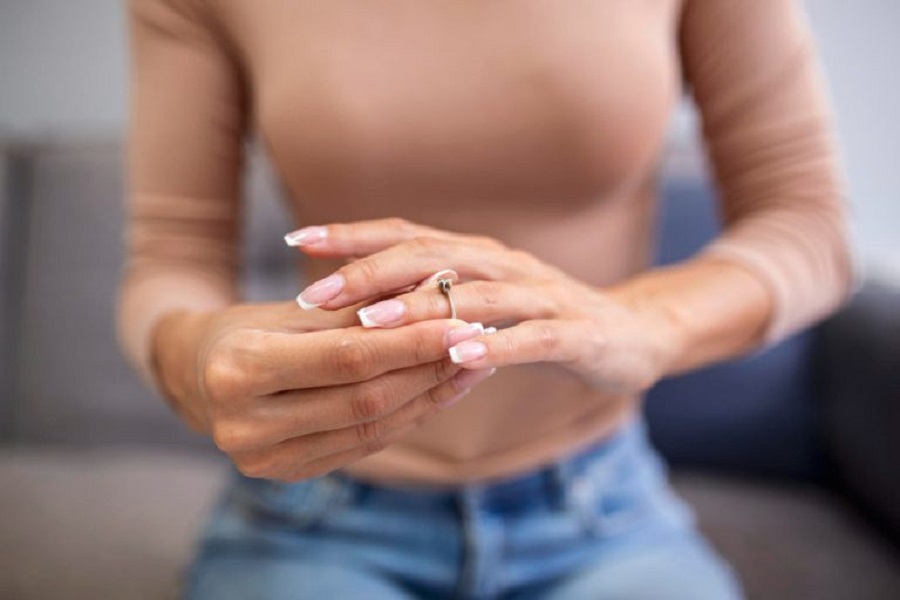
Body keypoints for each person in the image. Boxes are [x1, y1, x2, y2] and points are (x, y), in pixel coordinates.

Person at [118, 0, 853, 598]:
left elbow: (809, 224)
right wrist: (194, 357)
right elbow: (171, 257)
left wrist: (643, 322)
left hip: (599, 502)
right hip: (315, 513)